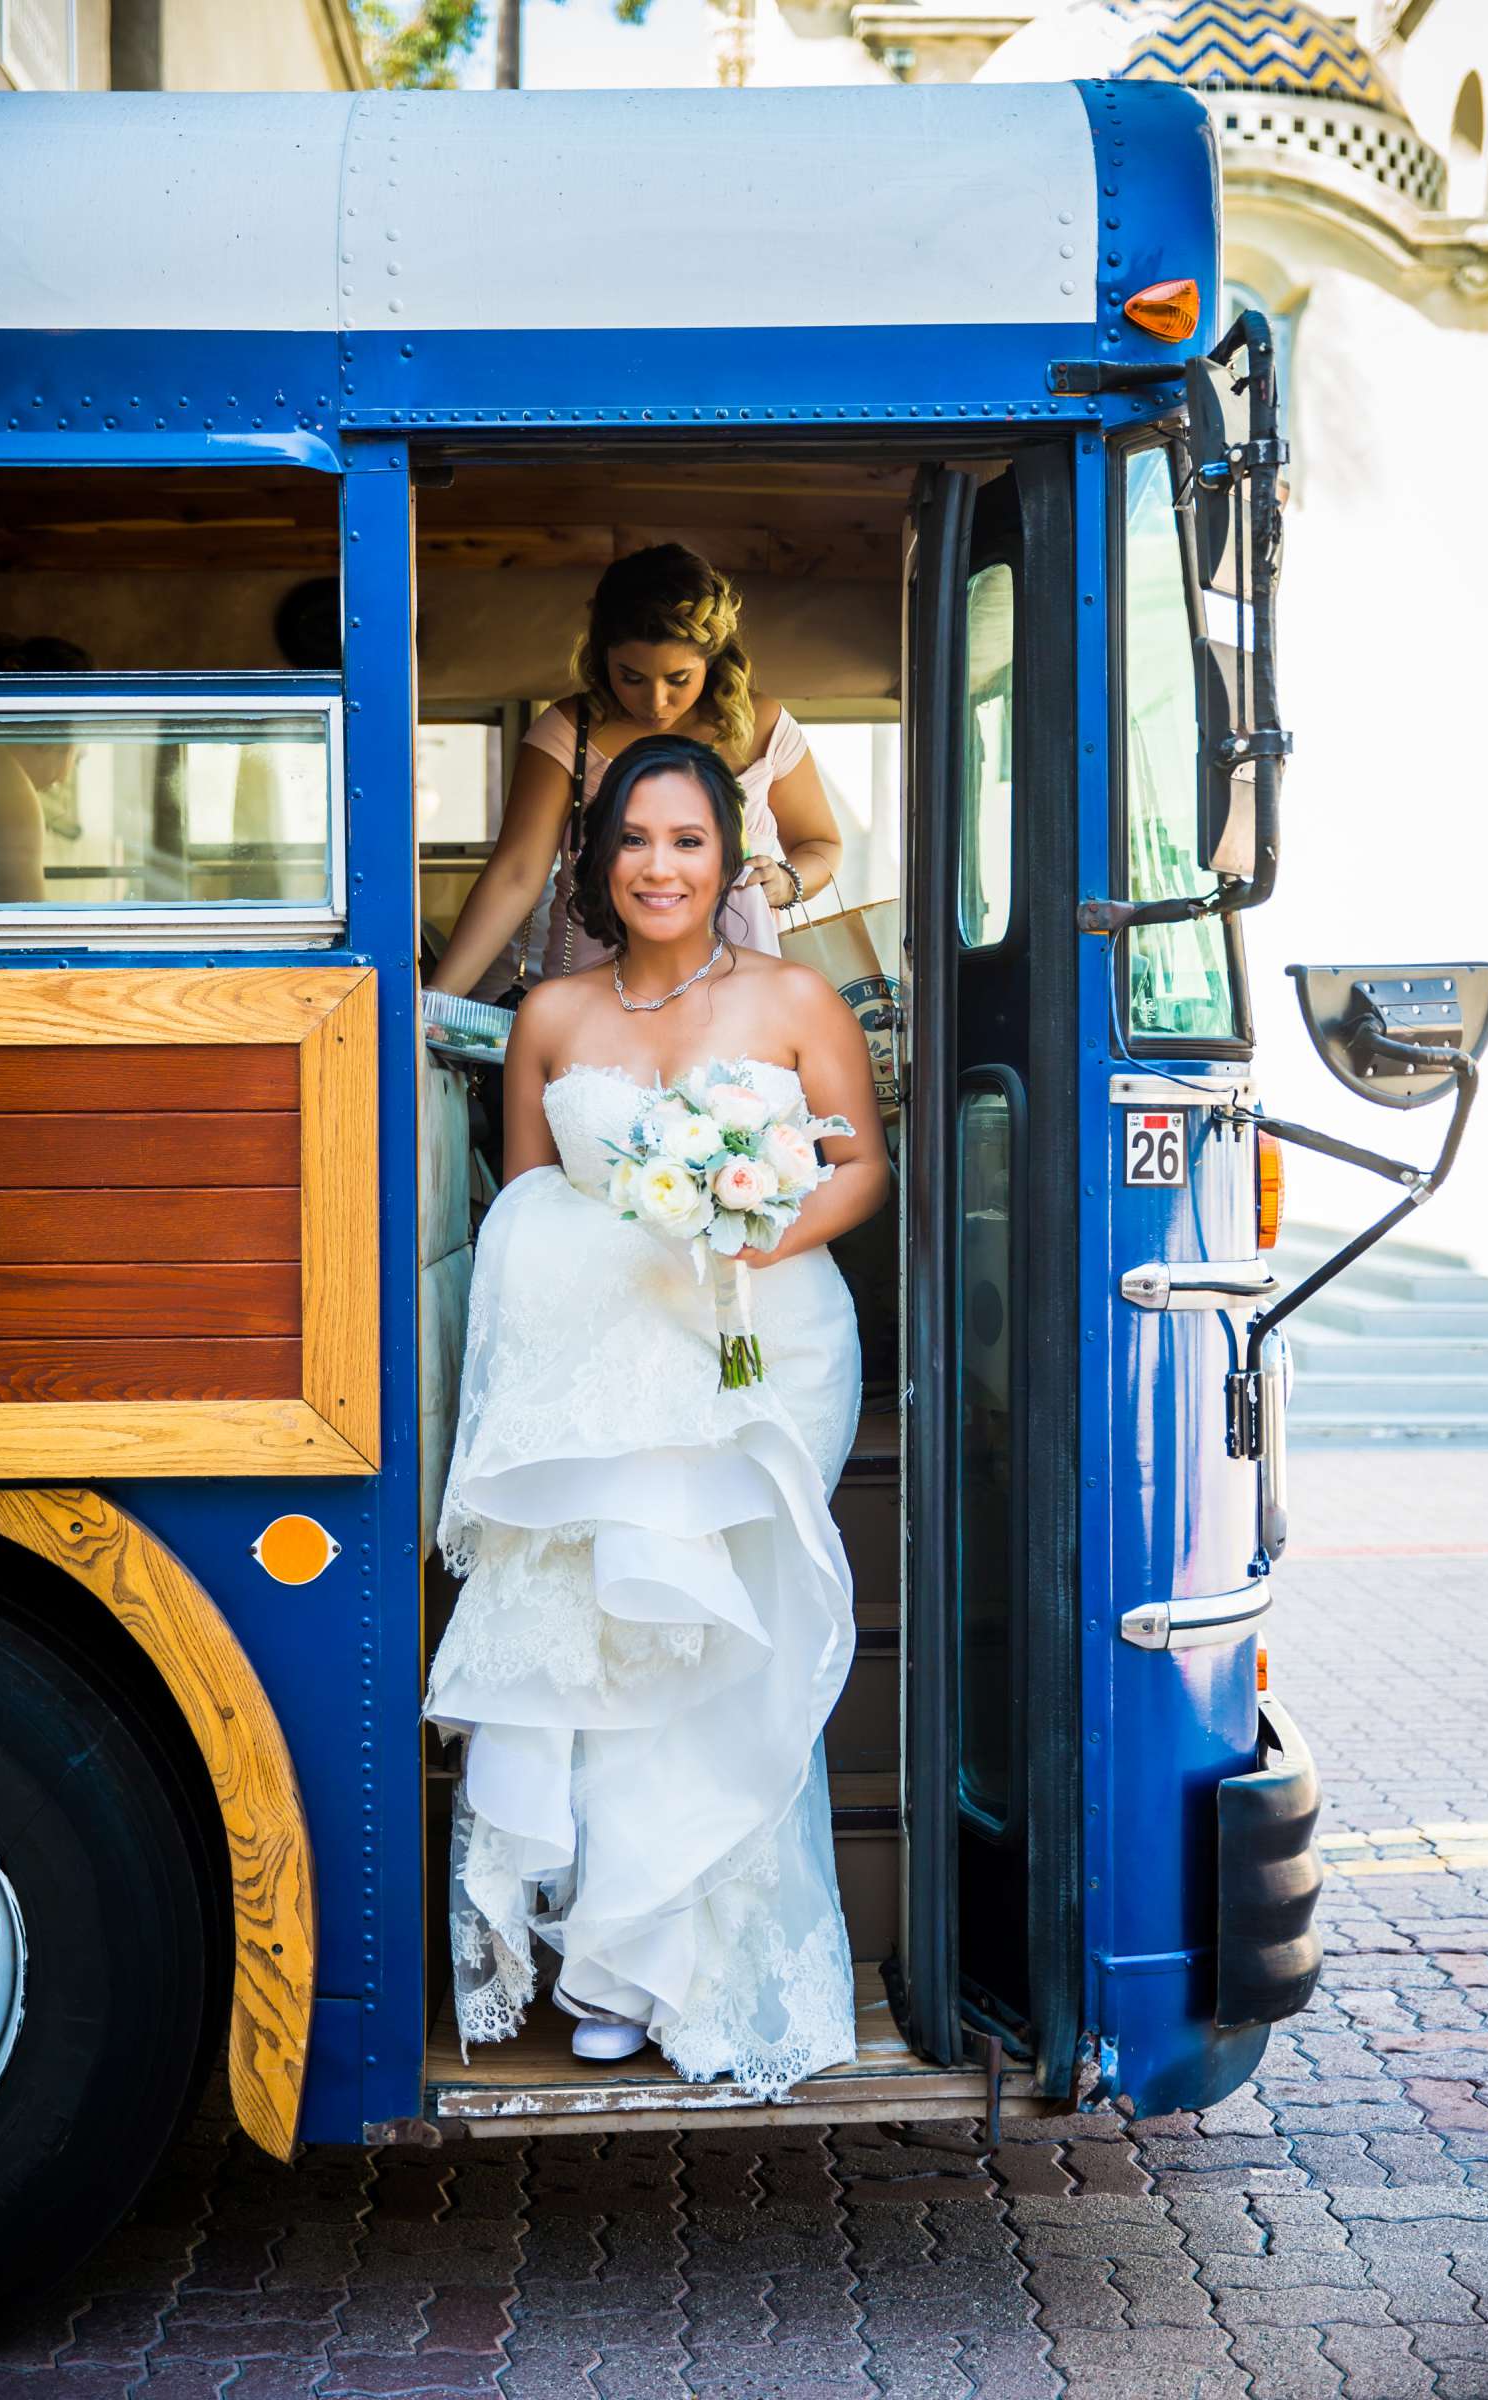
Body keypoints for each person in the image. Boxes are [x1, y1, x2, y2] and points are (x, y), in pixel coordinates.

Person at [423, 734, 888, 2095]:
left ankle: (706, 1962)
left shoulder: (797, 995)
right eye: (636, 840)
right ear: (597, 860)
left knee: (721, 1644)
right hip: (606, 1371)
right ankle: (617, 1965)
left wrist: (758, 1230)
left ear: (730, 857)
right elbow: (524, 1212)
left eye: (688, 841)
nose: (661, 867)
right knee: (612, 1642)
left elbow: (859, 1169)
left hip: (765, 1352)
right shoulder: (552, 1017)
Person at [424, 544, 842, 1001]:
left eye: (678, 679)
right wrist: (437, 1000)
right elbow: (518, 874)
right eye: (632, 677)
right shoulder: (569, 731)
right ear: (602, 658)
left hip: (737, 992)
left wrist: (786, 880)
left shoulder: (764, 725)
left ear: (714, 658)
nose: (655, 702)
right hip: (595, 988)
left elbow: (821, 844)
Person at [0, 635, 92, 904]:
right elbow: (24, 938)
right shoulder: (5, 787)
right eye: (78, 754)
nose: (62, 778)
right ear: (55, 735)